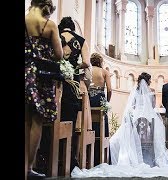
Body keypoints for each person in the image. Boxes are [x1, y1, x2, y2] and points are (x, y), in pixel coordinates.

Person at [25, 0, 63, 178]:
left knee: (25, 121)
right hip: (39, 77)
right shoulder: (49, 25)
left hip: (24, 73)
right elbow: (59, 54)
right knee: (36, 121)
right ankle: (28, 168)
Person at [109, 72, 168, 167]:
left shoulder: (135, 91)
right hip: (149, 116)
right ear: (148, 81)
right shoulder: (152, 91)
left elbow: (133, 106)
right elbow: (153, 105)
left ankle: (134, 153)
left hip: (137, 116)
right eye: (150, 79)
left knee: (127, 131)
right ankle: (154, 160)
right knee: (158, 132)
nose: (151, 81)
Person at [58, 16, 91, 170]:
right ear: (73, 28)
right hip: (72, 83)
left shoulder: (56, 33)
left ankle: (45, 156)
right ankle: (69, 159)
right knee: (69, 119)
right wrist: (73, 67)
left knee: (51, 117)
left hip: (54, 79)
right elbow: (86, 62)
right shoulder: (81, 40)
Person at [88, 53, 112, 165]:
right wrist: (107, 101)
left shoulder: (87, 70)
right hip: (99, 99)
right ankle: (100, 156)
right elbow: (110, 90)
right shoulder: (104, 72)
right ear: (100, 61)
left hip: (88, 99)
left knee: (89, 123)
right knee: (102, 124)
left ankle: (88, 154)